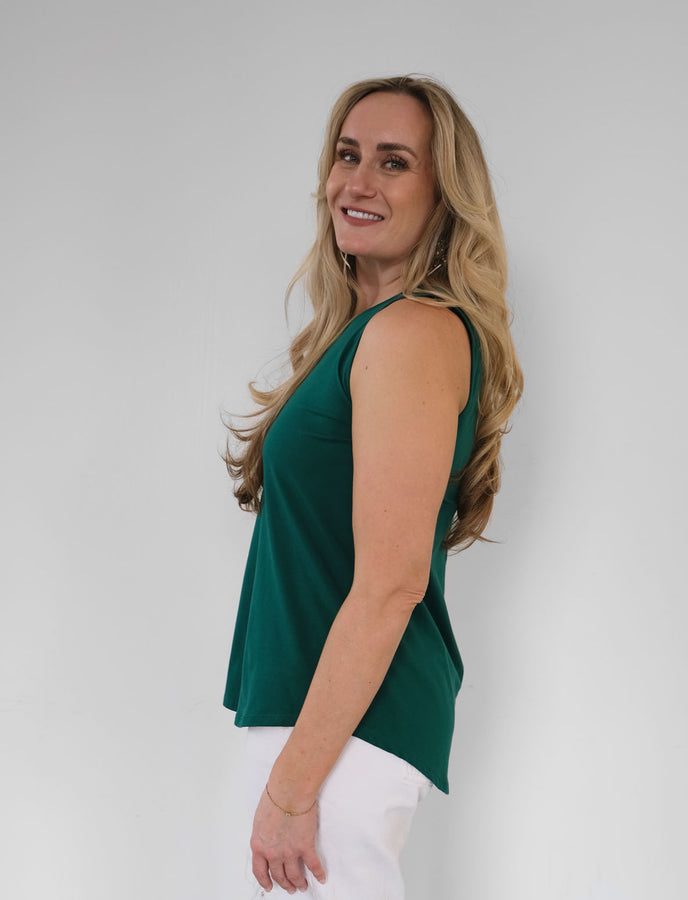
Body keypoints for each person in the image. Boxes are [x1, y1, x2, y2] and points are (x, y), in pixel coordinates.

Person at [222, 74, 523, 898]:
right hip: (320, 724)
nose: (357, 182)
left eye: (394, 162)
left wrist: (292, 788)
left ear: (444, 196)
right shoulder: (364, 335)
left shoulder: (412, 332)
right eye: (347, 155)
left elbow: (392, 585)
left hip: (341, 737)